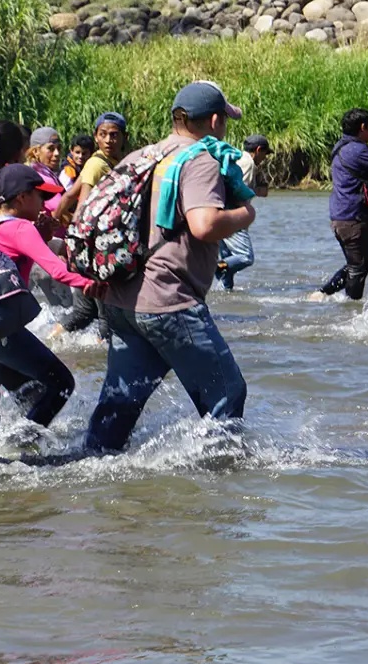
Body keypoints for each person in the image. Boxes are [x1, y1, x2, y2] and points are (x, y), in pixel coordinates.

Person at [84, 81, 254, 454]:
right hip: (169, 302)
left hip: (122, 300)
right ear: (214, 120)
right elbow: (204, 224)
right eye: (225, 120)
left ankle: (92, 470)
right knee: (227, 392)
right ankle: (218, 483)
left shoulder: (140, 156)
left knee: (119, 406)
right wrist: (245, 214)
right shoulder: (200, 160)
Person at [0, 164, 101, 433]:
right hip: (1, 327)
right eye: (40, 196)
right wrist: (95, 284)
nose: (46, 204)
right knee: (62, 383)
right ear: (21, 198)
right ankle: (23, 443)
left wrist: (41, 237)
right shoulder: (21, 228)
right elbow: (58, 270)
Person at [310, 108, 368, 301]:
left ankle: (322, 294)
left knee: (355, 265)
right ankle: (350, 308)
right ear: (362, 127)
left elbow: (362, 168)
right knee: (358, 268)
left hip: (340, 217)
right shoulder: (357, 149)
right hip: (354, 219)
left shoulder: (342, 147)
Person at [56, 111, 129, 336]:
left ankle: (50, 343)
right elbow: (82, 206)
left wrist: (53, 226)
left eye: (114, 135)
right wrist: (75, 246)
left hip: (98, 246)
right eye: (103, 134)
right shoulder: (98, 165)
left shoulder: (109, 163)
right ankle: (104, 364)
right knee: (108, 315)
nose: (109, 140)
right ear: (96, 137)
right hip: (97, 249)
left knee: (85, 312)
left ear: (124, 137)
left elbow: (68, 196)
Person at [25, 126, 72, 310]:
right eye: (51, 148)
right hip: (45, 255)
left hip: (56, 250)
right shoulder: (35, 176)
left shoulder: (48, 173)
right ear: (36, 151)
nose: (57, 153)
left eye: (59, 147)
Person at [216, 133, 270, 291]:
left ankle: (225, 299)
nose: (265, 158)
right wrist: (243, 216)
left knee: (227, 270)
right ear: (258, 150)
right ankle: (215, 266)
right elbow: (238, 192)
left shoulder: (239, 160)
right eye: (265, 154)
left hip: (220, 213)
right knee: (245, 257)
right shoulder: (247, 163)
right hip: (232, 216)